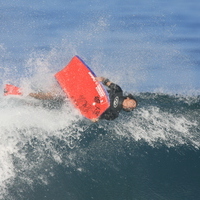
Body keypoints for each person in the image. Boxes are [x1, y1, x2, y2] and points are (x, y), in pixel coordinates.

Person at [28, 77, 138, 122]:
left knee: (55, 99)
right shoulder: (118, 91)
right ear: (129, 98)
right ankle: (29, 94)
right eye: (132, 103)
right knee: (53, 94)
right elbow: (106, 81)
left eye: (132, 107)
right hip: (87, 93)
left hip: (85, 102)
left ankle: (30, 100)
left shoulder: (115, 113)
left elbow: (100, 116)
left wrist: (95, 118)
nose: (131, 105)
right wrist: (101, 79)